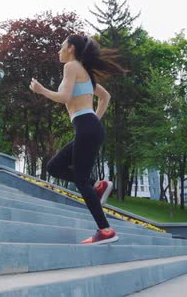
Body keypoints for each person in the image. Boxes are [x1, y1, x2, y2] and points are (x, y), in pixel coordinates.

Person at [29, 33, 125, 245]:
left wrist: (41, 90)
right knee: (54, 166)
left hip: (86, 126)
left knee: (80, 180)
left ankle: (106, 230)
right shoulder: (86, 74)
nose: (59, 50)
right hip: (88, 127)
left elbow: (63, 97)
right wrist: (95, 121)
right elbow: (105, 96)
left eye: (62, 46)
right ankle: (97, 186)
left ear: (71, 48)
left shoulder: (71, 67)